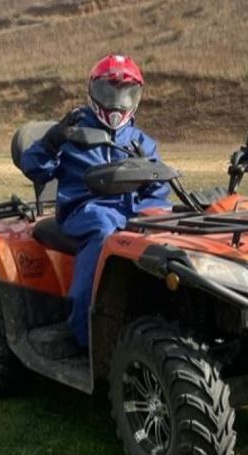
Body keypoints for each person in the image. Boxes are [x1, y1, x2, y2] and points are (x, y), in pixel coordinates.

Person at [20, 54, 172, 350]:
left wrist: (152, 214)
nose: (116, 102)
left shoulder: (141, 142)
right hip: (84, 213)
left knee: (165, 230)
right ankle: (88, 334)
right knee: (105, 230)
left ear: (136, 97)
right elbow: (33, 166)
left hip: (132, 216)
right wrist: (53, 140)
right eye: (108, 92)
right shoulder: (73, 132)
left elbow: (158, 189)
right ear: (93, 91)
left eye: (125, 93)